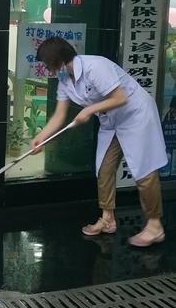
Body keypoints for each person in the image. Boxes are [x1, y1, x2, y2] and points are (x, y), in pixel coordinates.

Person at [30, 36, 167, 247]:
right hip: (112, 121)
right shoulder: (65, 79)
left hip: (136, 117)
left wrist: (89, 110)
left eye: (48, 65)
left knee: (144, 171)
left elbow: (121, 98)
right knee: (104, 168)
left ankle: (155, 226)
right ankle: (108, 218)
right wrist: (41, 137)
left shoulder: (95, 66)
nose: (48, 70)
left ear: (59, 60)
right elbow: (59, 115)